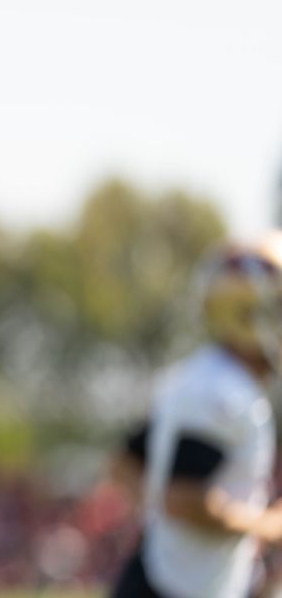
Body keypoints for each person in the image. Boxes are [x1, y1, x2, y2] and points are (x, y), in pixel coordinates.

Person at [110, 235, 282, 598]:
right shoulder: (225, 392)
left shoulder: (198, 378)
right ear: (246, 313)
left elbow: (125, 466)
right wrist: (267, 525)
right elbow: (185, 498)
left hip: (164, 577)